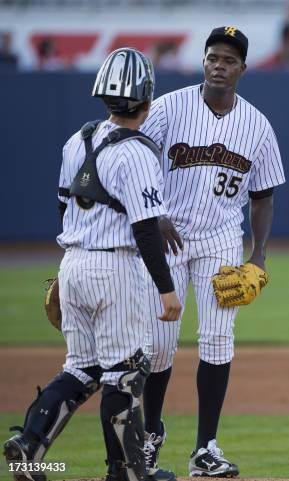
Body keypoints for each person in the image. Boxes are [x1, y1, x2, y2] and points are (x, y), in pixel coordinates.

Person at [3, 48, 181, 481]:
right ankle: (128, 472)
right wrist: (167, 288)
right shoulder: (138, 153)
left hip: (73, 263)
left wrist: (72, 265)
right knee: (124, 374)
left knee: (82, 369)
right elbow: (145, 229)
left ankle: (29, 446)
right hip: (113, 268)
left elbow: (63, 207)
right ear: (147, 98)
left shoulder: (76, 140)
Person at [139, 26, 285, 478]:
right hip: (167, 236)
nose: (218, 65)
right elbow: (133, 158)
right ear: (203, 62)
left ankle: (205, 448)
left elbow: (263, 196)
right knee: (160, 346)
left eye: (228, 59)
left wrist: (258, 254)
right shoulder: (167, 109)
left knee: (218, 339)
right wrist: (153, 209)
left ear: (242, 68)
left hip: (222, 238)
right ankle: (148, 436)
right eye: (212, 57)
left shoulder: (257, 125)